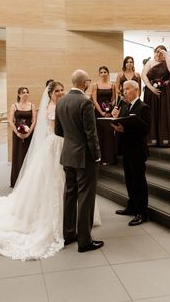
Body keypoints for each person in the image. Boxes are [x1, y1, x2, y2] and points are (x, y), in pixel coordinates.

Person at [0, 81, 101, 261]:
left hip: (66, 147)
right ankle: (61, 225)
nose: (59, 92)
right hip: (55, 145)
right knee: (56, 183)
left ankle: (70, 227)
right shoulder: (53, 106)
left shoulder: (64, 102)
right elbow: (56, 129)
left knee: (67, 185)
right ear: (49, 94)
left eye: (61, 90)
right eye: (56, 91)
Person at [55, 69, 104, 253]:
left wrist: (72, 139)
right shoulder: (85, 102)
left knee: (70, 194)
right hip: (84, 157)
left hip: (68, 154)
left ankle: (69, 235)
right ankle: (85, 241)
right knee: (86, 197)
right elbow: (92, 135)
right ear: (85, 83)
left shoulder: (61, 102)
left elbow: (58, 131)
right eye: (88, 81)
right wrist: (97, 155)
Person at [112, 80, 151, 226]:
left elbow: (145, 129)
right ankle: (132, 206)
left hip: (137, 150)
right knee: (129, 179)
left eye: (127, 89)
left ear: (136, 90)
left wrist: (124, 130)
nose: (124, 92)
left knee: (139, 181)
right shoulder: (125, 106)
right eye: (123, 89)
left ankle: (142, 212)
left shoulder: (143, 107)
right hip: (126, 149)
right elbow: (122, 123)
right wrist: (115, 119)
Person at [141, 45, 170, 147]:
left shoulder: (167, 61)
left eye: (161, 52)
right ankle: (153, 138)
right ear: (154, 52)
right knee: (153, 113)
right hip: (152, 92)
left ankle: (166, 138)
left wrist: (166, 56)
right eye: (157, 51)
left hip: (166, 92)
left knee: (165, 113)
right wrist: (151, 88)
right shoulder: (150, 62)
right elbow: (143, 75)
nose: (159, 54)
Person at [9, 86, 36, 188]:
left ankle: (28, 180)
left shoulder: (32, 105)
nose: (25, 94)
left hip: (29, 134)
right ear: (19, 94)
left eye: (27, 92)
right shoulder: (14, 106)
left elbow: (34, 121)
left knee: (28, 155)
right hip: (17, 134)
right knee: (18, 155)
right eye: (23, 92)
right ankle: (16, 180)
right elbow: (11, 121)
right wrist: (17, 133)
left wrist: (28, 133)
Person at [91, 66, 116, 165]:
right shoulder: (95, 85)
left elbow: (113, 99)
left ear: (108, 73)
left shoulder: (112, 85)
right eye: (101, 72)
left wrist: (110, 108)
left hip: (109, 113)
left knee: (109, 134)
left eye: (105, 72)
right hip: (98, 113)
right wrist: (102, 112)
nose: (103, 74)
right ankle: (101, 158)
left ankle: (110, 158)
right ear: (99, 74)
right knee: (100, 134)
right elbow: (94, 100)